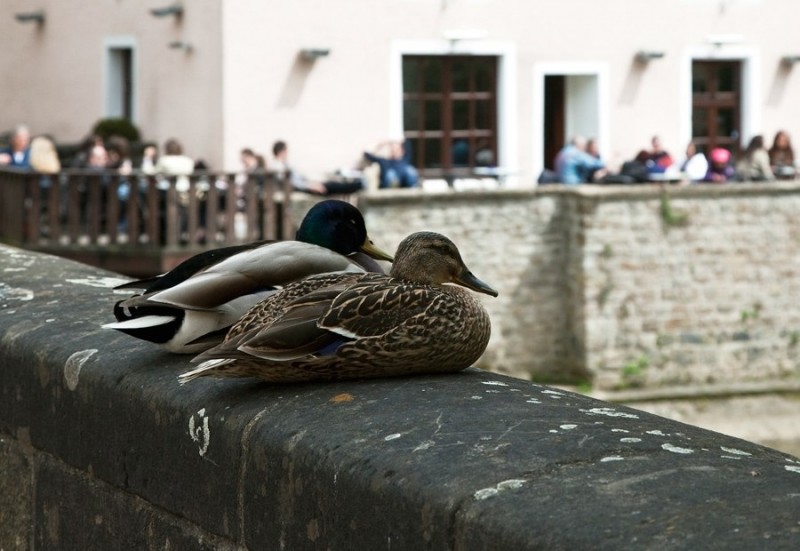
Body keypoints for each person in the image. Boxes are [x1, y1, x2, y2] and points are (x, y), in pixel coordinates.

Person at [273, 140, 363, 195]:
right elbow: (292, 183)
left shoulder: (285, 164)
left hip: (306, 185)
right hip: (303, 188)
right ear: (281, 151)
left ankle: (358, 185)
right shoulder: (278, 166)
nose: (287, 152)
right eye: (286, 150)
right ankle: (359, 185)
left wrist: (312, 183)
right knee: (331, 186)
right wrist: (309, 186)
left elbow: (299, 178)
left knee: (331, 184)